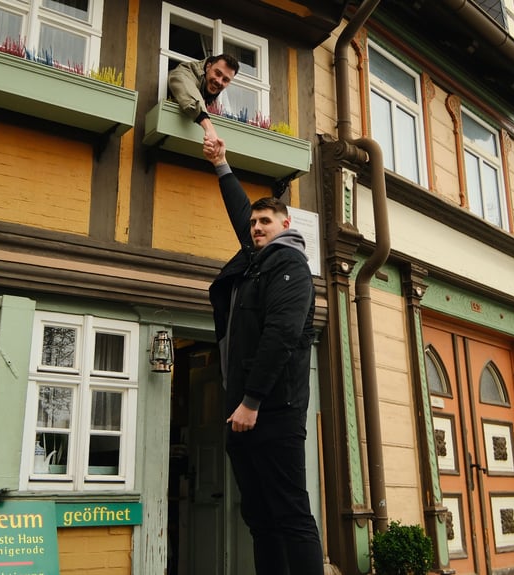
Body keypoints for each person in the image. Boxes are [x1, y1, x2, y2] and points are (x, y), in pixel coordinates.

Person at [204, 139, 323, 575]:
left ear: (286, 224)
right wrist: (221, 164)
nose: (256, 227)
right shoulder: (258, 260)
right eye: (254, 222)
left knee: (290, 514)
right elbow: (239, 211)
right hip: (242, 413)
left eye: (265, 221)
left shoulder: (288, 264)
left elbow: (282, 335)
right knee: (259, 518)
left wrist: (252, 401)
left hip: (272, 412)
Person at [168, 54, 240, 153]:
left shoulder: (213, 93)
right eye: (217, 73)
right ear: (208, 67)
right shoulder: (186, 71)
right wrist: (209, 128)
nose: (219, 81)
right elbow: (180, 80)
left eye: (225, 80)